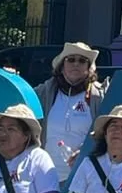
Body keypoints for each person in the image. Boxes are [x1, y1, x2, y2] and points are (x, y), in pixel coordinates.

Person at [36, 42, 106, 179]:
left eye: (82, 61)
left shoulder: (100, 96)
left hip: (85, 177)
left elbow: (105, 134)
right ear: (61, 67)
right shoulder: (45, 92)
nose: (76, 64)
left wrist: (87, 150)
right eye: (71, 59)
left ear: (89, 68)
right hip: (45, 177)